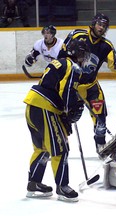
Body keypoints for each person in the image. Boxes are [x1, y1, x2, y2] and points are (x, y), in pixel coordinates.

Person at [57, 12, 116, 158]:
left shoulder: (106, 46)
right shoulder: (76, 35)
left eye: (104, 26)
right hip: (70, 85)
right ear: (93, 23)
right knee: (63, 117)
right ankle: (58, 145)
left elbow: (115, 66)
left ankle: (101, 146)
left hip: (90, 87)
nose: (101, 28)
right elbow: (61, 57)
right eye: (99, 24)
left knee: (100, 120)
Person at [24, 38, 91, 202]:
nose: (84, 59)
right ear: (78, 54)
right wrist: (71, 109)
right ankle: (62, 186)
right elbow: (67, 91)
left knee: (43, 148)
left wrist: (64, 115)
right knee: (60, 148)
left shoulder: (60, 62)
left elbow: (55, 85)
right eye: (83, 55)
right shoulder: (73, 67)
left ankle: (34, 183)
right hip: (46, 108)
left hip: (32, 105)